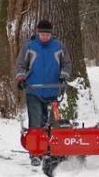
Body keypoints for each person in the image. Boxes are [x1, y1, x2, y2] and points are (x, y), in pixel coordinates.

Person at [15, 20, 72, 165]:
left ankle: (55, 150)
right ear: (38, 33)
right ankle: (36, 153)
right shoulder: (29, 46)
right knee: (36, 122)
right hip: (34, 90)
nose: (44, 36)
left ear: (51, 34)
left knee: (54, 123)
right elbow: (20, 64)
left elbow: (67, 63)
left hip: (54, 90)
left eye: (47, 34)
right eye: (42, 34)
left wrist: (63, 76)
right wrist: (21, 79)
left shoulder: (59, 47)